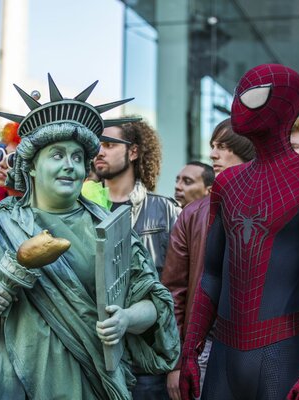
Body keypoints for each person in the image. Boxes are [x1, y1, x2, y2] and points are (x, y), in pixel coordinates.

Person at [0, 75, 179, 400]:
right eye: (57, 155)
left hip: (83, 383)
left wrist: (126, 318)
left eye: (76, 157)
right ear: (31, 166)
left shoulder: (112, 228)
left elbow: (154, 303)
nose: (70, 165)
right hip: (0, 381)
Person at [179, 64, 299, 400]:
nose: (241, 104)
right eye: (241, 92)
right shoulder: (227, 184)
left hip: (282, 354)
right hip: (225, 354)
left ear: (285, 105)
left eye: (254, 95)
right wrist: (189, 352)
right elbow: (210, 275)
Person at [162, 119, 255, 400]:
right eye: (213, 146)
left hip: (261, 345)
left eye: (224, 147)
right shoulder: (193, 214)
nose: (213, 154)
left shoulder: (279, 205)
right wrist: (177, 362)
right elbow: (173, 291)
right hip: (206, 345)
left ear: (248, 150)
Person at [93, 119, 180, 398]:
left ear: (133, 152)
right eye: (96, 146)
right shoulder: (82, 209)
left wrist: (177, 361)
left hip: (147, 361)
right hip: (93, 357)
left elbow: (180, 287)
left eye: (109, 145)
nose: (100, 152)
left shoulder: (165, 210)